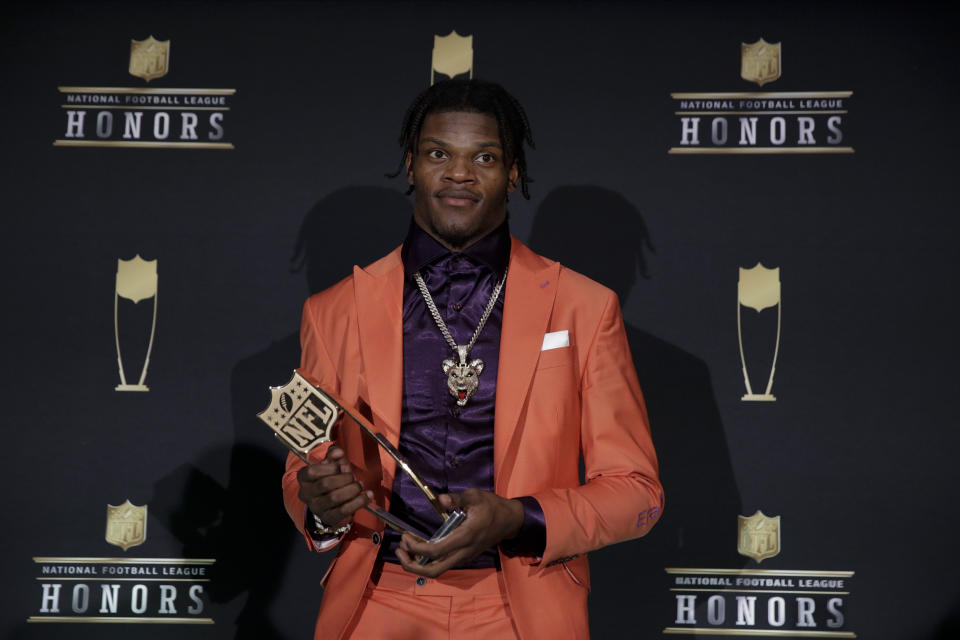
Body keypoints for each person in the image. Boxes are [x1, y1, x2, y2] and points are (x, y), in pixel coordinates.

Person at [282, 79, 663, 640]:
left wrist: (518, 518)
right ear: (410, 165)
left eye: (484, 157)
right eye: (439, 153)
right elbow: (303, 470)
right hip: (376, 600)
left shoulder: (586, 307)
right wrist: (319, 503)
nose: (459, 173)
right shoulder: (330, 311)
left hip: (523, 606)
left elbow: (637, 492)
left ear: (512, 173)